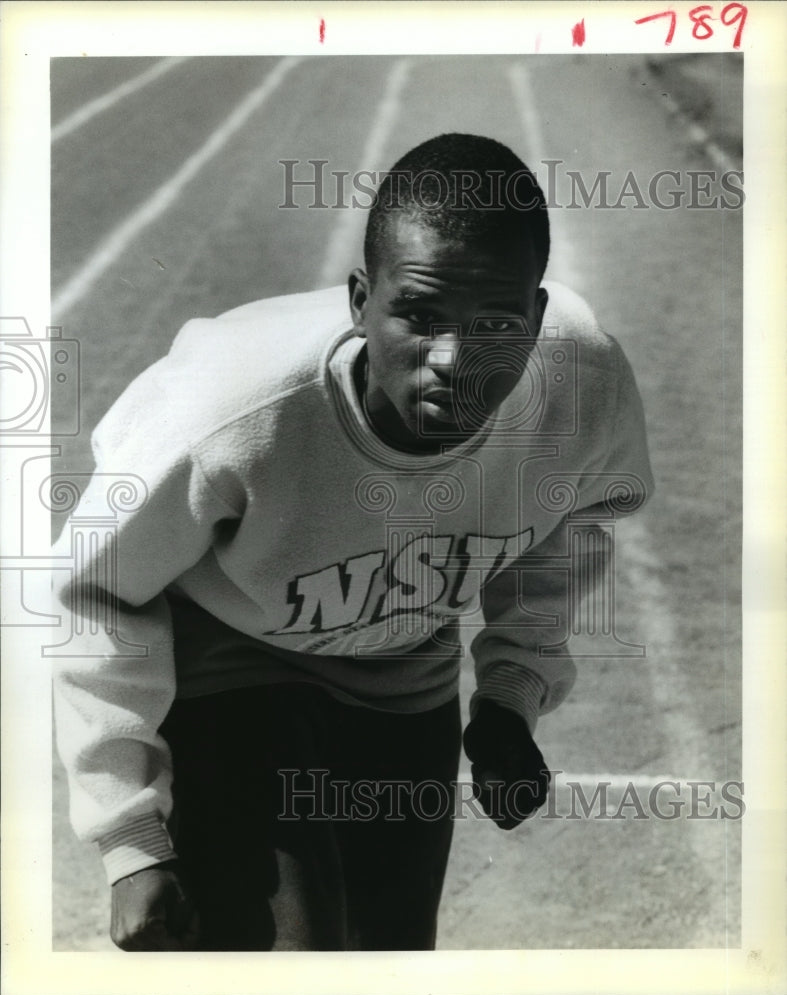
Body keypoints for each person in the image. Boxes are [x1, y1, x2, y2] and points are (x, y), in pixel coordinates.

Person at [52, 133, 654, 951]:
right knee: (295, 953)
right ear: (360, 299)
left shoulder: (580, 384)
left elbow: (562, 531)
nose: (453, 359)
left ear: (537, 316)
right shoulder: (232, 413)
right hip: (231, 656)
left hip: (402, 668)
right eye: (417, 315)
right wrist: (129, 840)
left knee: (391, 954)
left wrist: (510, 696)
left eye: (495, 323)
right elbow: (95, 588)